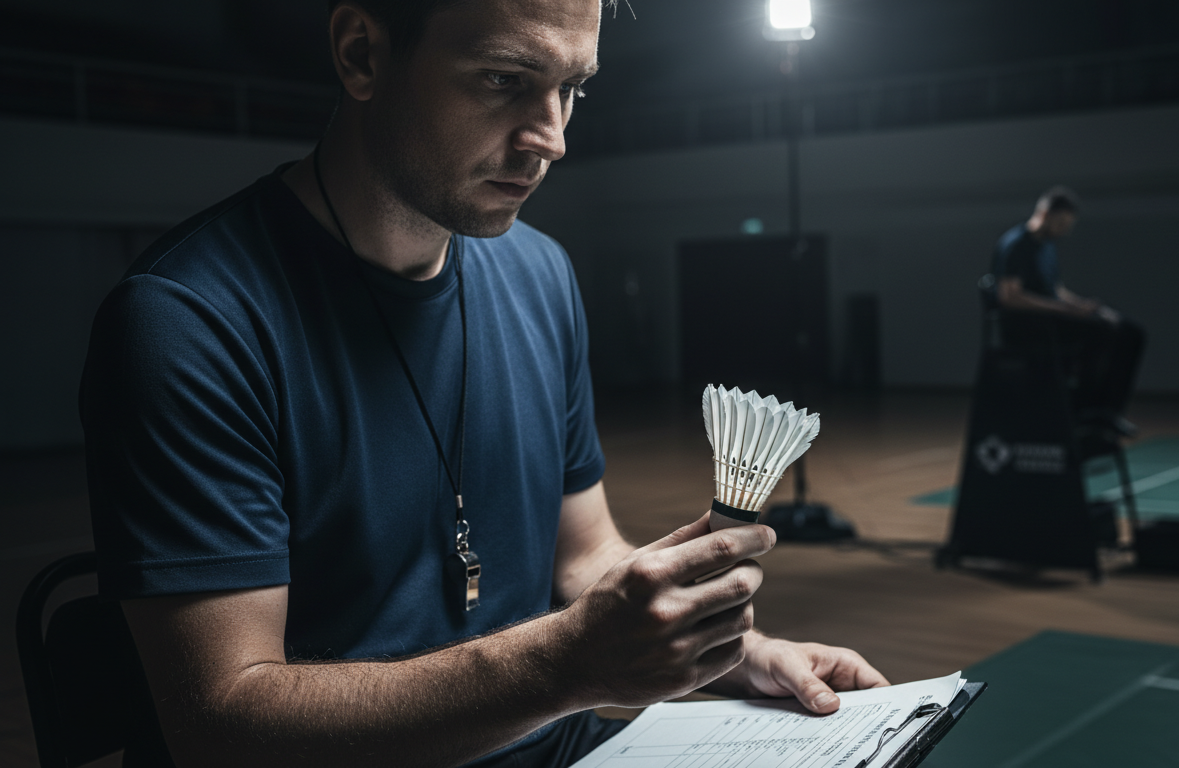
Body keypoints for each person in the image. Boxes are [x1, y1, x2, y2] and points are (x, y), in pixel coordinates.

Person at [78, 2, 889, 767]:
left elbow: (583, 558)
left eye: (572, 88)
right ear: (362, 53)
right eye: (505, 79)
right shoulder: (188, 322)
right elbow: (220, 725)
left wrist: (729, 652)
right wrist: (568, 667)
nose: (553, 137)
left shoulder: (540, 272)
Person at [989, 186, 1146, 435]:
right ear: (1046, 214)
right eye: (1061, 223)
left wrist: (1082, 306)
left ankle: (1108, 412)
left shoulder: (1047, 246)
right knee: (1099, 333)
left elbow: (1055, 289)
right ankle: (1083, 412)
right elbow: (1010, 297)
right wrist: (1064, 310)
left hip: (1053, 317)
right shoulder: (1016, 245)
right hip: (1027, 325)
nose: (1065, 230)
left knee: (1130, 331)